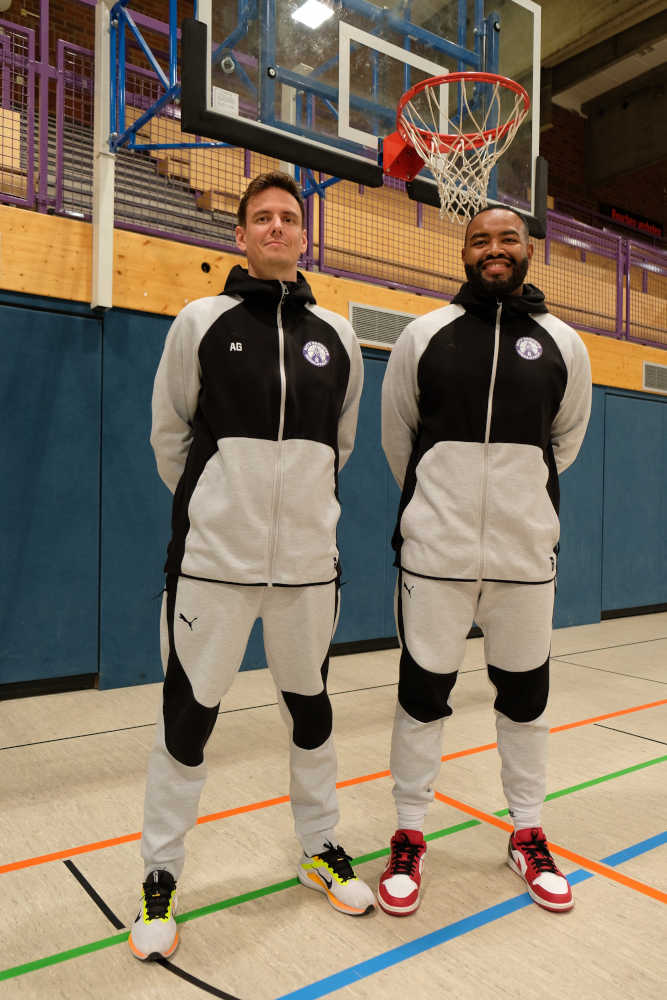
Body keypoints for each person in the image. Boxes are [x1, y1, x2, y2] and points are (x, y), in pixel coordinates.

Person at [129, 171, 374, 961]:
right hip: (211, 568)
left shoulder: (336, 336)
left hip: (307, 570)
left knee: (312, 715)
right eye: (260, 218)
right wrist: (220, 509)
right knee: (187, 721)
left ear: (304, 237)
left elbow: (339, 446)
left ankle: (320, 846)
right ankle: (160, 876)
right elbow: (172, 435)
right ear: (239, 236)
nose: (275, 228)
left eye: (287, 218)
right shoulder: (200, 320)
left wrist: (295, 518)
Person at [378, 205, 592, 917]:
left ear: (528, 249)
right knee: (421, 699)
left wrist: (515, 510)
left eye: (506, 238)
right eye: (479, 239)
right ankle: (408, 834)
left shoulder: (565, 344)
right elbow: (398, 439)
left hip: (523, 563)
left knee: (525, 702)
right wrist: (439, 508)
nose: (493, 249)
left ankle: (526, 831)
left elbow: (562, 443)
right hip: (433, 560)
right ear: (462, 252)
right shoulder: (423, 336)